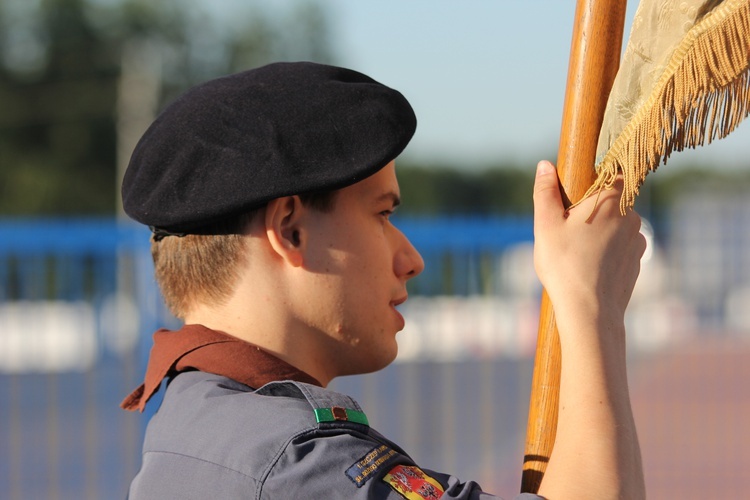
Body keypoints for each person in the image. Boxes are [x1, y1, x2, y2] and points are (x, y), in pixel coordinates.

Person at [120, 62, 646, 499]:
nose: (411, 258)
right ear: (290, 230)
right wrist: (589, 303)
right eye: (382, 214)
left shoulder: (187, 428)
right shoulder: (300, 470)